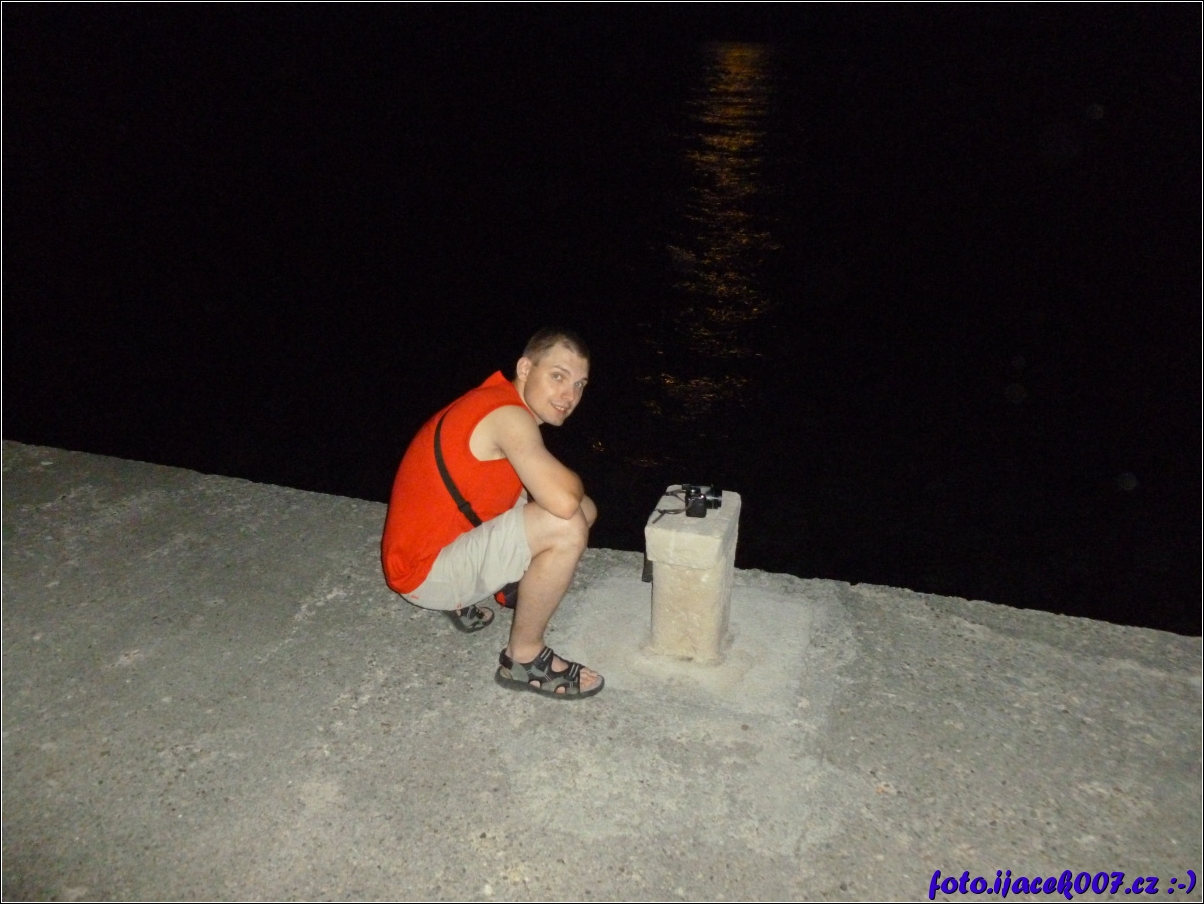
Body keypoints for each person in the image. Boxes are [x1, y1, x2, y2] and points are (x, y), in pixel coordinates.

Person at [381, 328, 603, 698]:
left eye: (579, 384)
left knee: (584, 509)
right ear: (525, 368)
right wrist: (573, 483)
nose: (570, 396)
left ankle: (506, 585)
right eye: (558, 376)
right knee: (567, 523)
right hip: (421, 573)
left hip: (428, 546)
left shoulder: (495, 397)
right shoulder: (509, 417)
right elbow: (563, 502)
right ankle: (524, 658)